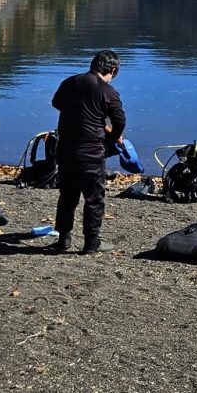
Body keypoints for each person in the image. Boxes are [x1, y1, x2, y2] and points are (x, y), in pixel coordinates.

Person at [50, 49, 126, 254]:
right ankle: (91, 242)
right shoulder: (108, 92)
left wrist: (78, 112)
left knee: (67, 195)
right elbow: (120, 120)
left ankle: (63, 239)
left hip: (65, 147)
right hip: (91, 151)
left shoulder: (70, 82)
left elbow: (56, 103)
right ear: (112, 70)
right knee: (94, 197)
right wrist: (112, 136)